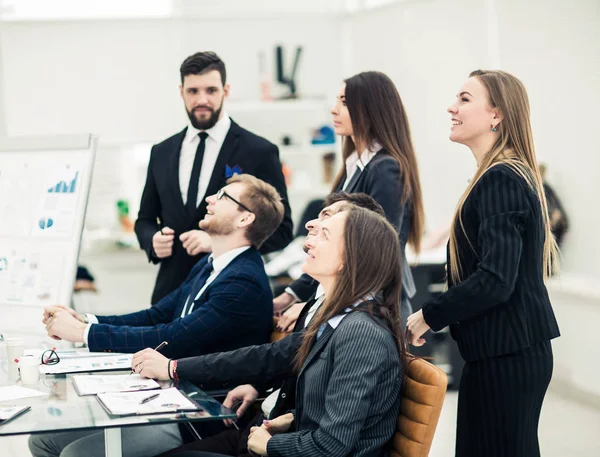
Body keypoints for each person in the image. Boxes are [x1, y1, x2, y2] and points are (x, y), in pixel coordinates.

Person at [127, 193, 385, 456]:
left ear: (351, 255)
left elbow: (333, 441)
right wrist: (291, 416)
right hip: (269, 430)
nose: (310, 228)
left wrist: (272, 443)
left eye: (325, 229)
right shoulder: (331, 314)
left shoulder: (359, 331)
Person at [406, 70, 561, 457]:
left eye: (464, 98)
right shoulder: (498, 176)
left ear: (497, 115)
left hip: (507, 355)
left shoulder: (500, 179)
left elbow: (495, 279)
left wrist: (429, 314)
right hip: (501, 352)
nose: (451, 107)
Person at [41, 174, 283, 360]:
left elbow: (172, 337)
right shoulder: (209, 265)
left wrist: (82, 333)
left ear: (245, 218)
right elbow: (155, 316)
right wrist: (84, 320)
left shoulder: (243, 281)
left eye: (222, 196)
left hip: (205, 406)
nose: (210, 199)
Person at [135, 51, 293, 305]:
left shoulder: (259, 151)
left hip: (229, 293)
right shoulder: (161, 152)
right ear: (181, 92)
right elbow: (144, 219)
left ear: (225, 91)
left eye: (211, 90)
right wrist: (152, 241)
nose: (202, 99)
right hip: (168, 295)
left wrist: (219, 242)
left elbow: (282, 230)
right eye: (193, 91)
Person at [273, 71, 424, 330]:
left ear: (370, 108)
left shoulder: (385, 169)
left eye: (344, 101)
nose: (334, 110)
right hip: (353, 305)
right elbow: (330, 246)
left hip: (375, 308)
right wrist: (293, 294)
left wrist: (312, 306)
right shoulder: (354, 166)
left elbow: (374, 253)